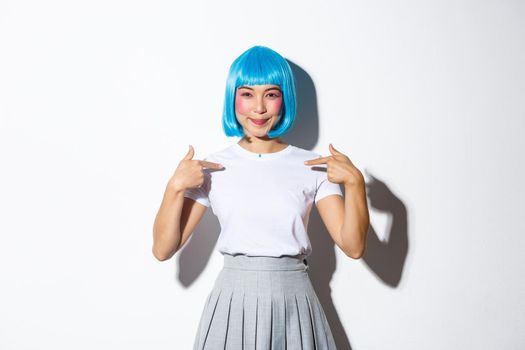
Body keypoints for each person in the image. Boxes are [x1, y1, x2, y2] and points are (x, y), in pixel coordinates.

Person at [152, 45, 370, 349]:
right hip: (232, 302)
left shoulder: (313, 166)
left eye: (270, 94)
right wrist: (174, 187)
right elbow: (163, 250)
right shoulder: (213, 167)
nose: (259, 108)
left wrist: (356, 184)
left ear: (285, 98)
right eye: (247, 94)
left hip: (294, 299)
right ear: (233, 98)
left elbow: (354, 246)